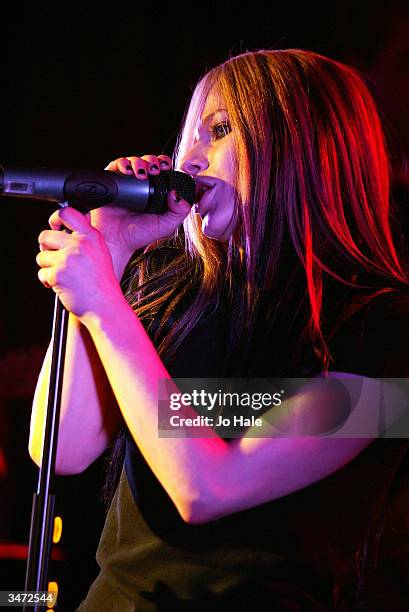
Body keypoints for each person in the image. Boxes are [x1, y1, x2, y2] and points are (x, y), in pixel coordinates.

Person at [29, 49, 409, 611]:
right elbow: (59, 450)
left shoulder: (383, 330)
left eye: (221, 130)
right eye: (188, 136)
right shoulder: (172, 291)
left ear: (300, 146)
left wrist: (106, 305)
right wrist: (109, 257)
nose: (189, 158)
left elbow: (208, 487)